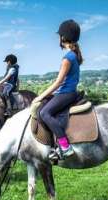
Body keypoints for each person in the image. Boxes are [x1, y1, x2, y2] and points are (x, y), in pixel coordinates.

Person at [32, 19, 83, 159]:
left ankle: (65, 147)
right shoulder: (74, 55)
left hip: (66, 93)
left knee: (44, 113)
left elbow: (59, 82)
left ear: (63, 37)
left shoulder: (68, 58)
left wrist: (40, 96)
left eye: (59, 36)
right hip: (68, 92)